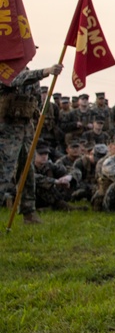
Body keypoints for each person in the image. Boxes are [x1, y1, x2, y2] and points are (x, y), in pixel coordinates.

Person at [0, 63, 63, 224]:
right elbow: (15, 80)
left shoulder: (31, 75)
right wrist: (45, 71)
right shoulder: (5, 70)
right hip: (6, 130)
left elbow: (36, 101)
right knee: (4, 172)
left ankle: (28, 211)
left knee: (27, 171)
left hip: (26, 128)